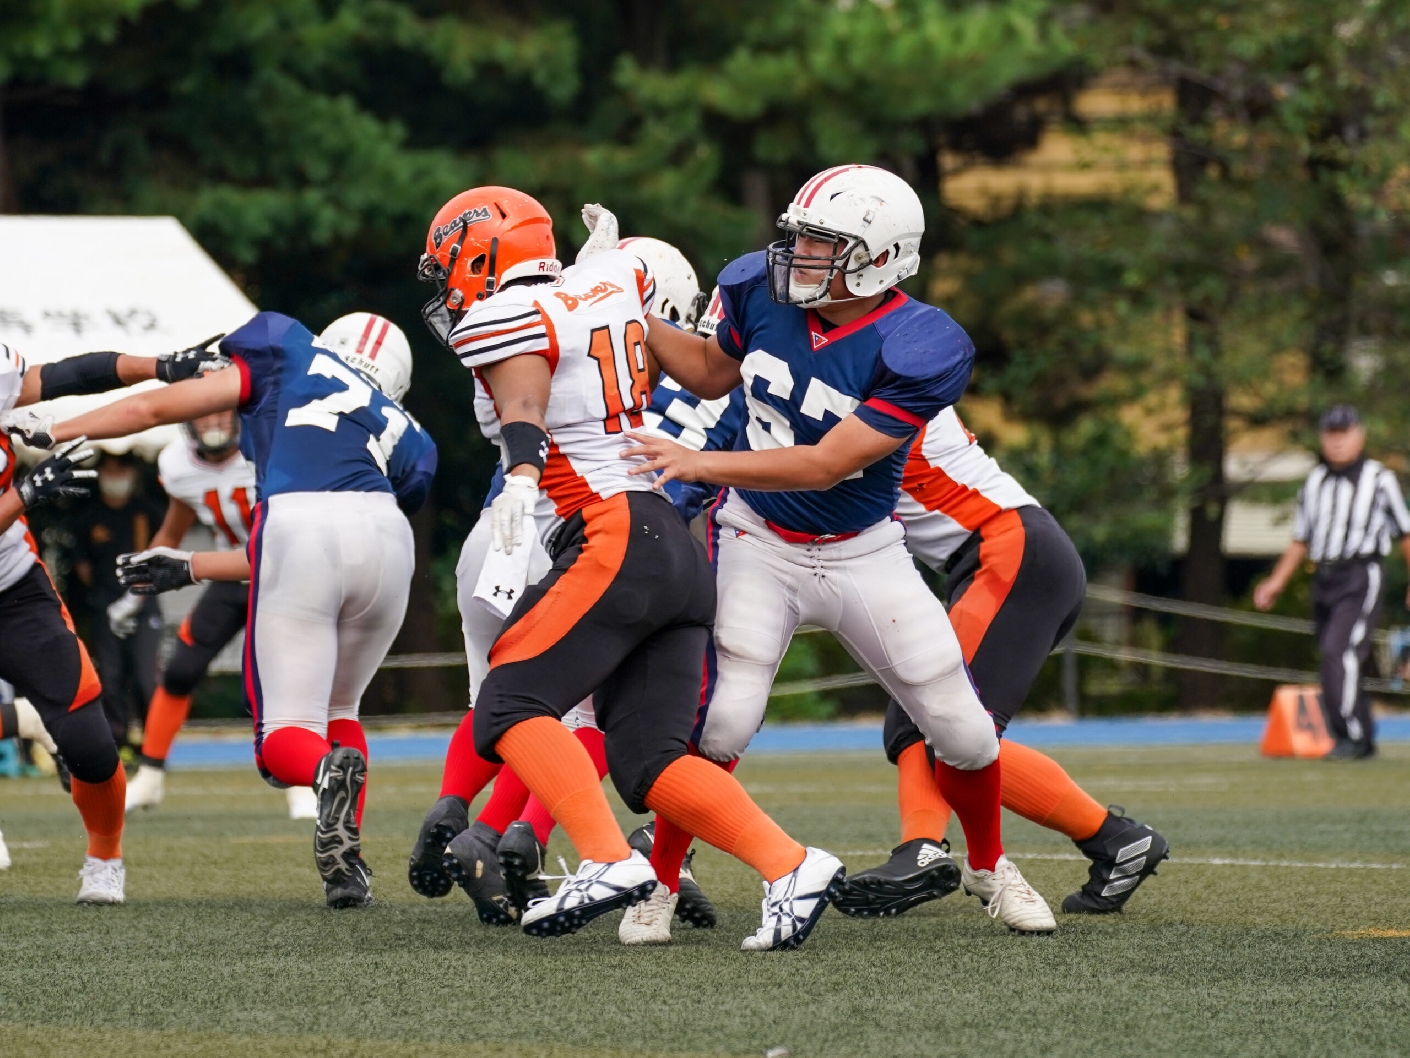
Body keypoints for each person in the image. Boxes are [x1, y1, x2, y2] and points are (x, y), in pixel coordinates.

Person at [627, 164, 1055, 934]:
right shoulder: (759, 289)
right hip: (756, 538)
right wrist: (622, 307)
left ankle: (991, 867)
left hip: (864, 550)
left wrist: (700, 463)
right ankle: (661, 880)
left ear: (882, 256)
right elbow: (708, 371)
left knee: (962, 730)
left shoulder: (921, 342)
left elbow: (828, 462)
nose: (799, 256)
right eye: (800, 237)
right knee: (721, 723)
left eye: (823, 244)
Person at [414, 186, 843, 951]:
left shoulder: (503, 316)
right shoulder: (614, 281)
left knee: (508, 701)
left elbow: (524, 400)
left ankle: (609, 857)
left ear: (477, 255)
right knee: (647, 764)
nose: (448, 285)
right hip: (672, 550)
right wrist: (599, 268)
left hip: (609, 530)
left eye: (450, 265)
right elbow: (700, 371)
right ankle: (791, 864)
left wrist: (518, 476)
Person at [31, 312, 436, 909]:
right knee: (341, 709)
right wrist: (193, 566)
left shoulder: (286, 349)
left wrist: (55, 430)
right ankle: (346, 868)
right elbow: (353, 517)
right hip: (388, 543)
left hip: (295, 533)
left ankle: (322, 777)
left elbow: (151, 411)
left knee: (285, 742)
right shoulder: (411, 433)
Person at [408, 235, 717, 934]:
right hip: (595, 537)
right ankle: (515, 833)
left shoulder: (555, 324)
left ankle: (459, 809)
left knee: (502, 700)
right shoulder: (648, 378)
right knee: (583, 715)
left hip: (499, 536)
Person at [836, 407, 1170, 917]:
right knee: (915, 721)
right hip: (999, 556)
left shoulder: (872, 379)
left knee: (946, 722)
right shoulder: (856, 368)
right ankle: (921, 850)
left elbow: (812, 465)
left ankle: (1111, 837)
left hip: (1008, 550)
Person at [0, 333, 226, 903]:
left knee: (91, 743)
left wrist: (161, 366)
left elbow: (70, 375)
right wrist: (24, 493)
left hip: (11, 589)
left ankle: (104, 856)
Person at [1254, 404, 1410, 760]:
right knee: (1333, 658)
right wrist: (1276, 581)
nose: (1338, 442)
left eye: (1345, 433)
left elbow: (1406, 532)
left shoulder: (1379, 478)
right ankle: (1356, 734)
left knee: (1339, 652)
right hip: (1324, 574)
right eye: (1331, 434)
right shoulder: (1315, 482)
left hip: (1361, 573)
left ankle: (1353, 737)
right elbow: (1300, 538)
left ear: (1360, 435)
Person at [123, 409, 261, 812]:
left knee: (273, 682)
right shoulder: (177, 464)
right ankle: (149, 777)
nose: (215, 423)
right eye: (204, 415)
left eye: (222, 411)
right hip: (225, 574)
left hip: (277, 578)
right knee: (180, 670)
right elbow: (173, 530)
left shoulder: (265, 448)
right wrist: (135, 592)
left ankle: (301, 784)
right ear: (188, 423)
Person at [71, 452, 165, 749]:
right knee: (110, 678)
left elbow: (164, 556)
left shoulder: (148, 511)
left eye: (121, 468)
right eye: (109, 468)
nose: (115, 476)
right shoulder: (89, 516)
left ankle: (154, 745)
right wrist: (107, 599)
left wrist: (136, 596)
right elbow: (82, 567)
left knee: (145, 676)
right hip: (105, 606)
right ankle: (118, 741)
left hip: (143, 603)